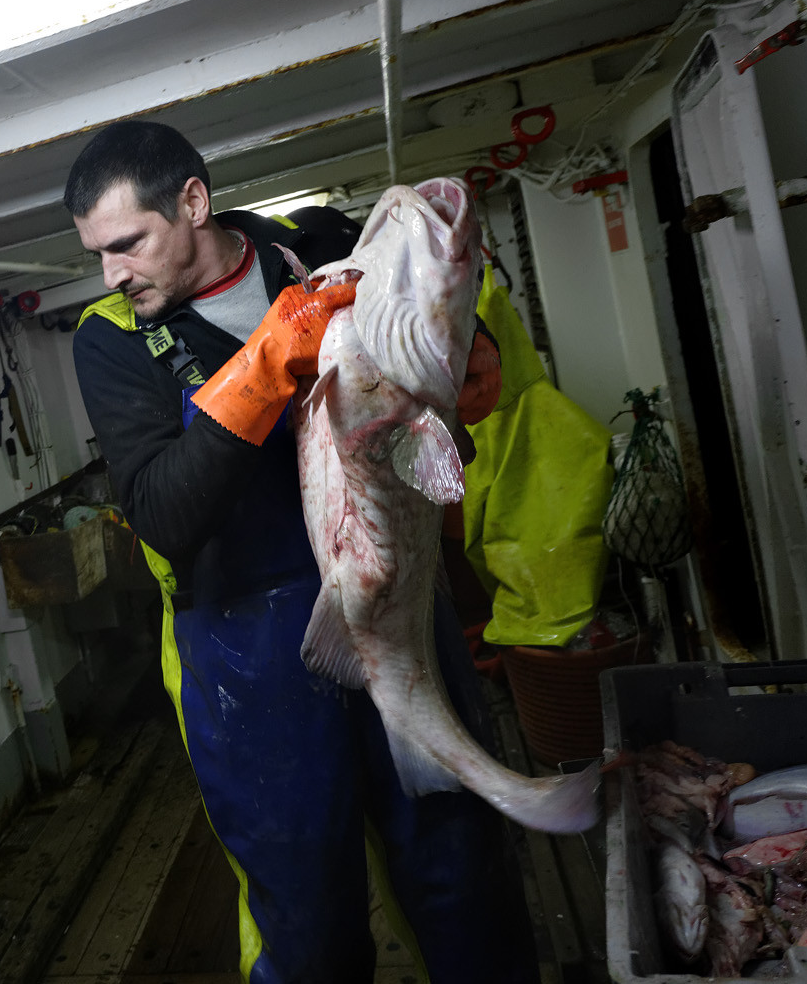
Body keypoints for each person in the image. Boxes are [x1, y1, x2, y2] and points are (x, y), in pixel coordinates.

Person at [66, 120, 536, 984]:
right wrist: (268, 360)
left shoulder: (317, 245)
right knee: (307, 919)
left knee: (463, 872)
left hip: (396, 593)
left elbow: (449, 331)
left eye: (128, 243)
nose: (113, 272)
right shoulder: (113, 339)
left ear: (194, 203)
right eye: (98, 253)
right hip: (250, 653)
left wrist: (475, 349)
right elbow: (164, 511)